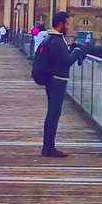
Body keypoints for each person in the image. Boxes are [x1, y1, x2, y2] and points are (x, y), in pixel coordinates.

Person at [31, 10, 80, 157]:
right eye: (67, 23)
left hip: (51, 79)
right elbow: (67, 62)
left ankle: (48, 146)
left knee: (52, 112)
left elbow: (59, 57)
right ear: (61, 24)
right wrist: (77, 51)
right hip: (57, 81)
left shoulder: (49, 38)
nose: (68, 26)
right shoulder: (57, 40)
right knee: (54, 113)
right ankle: (49, 148)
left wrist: (70, 49)